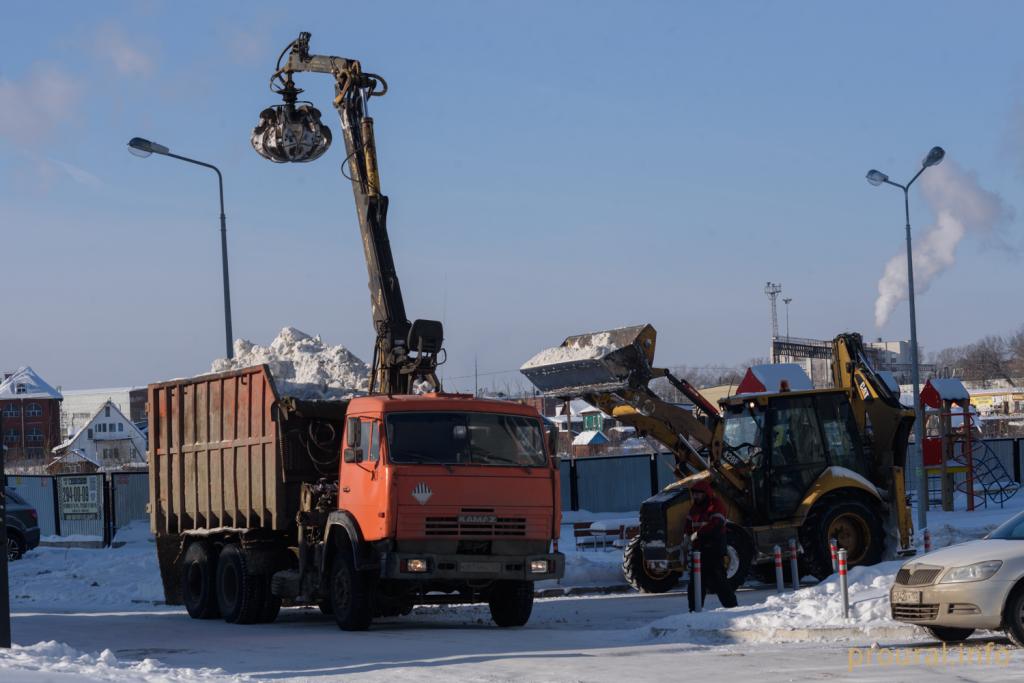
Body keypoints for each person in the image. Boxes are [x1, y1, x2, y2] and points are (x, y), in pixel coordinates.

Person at [685, 479, 738, 612]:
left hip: (714, 548)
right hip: (699, 550)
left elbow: (716, 524)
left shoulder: (716, 505)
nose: (696, 496)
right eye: (694, 494)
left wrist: (698, 534)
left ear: (705, 493)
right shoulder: (694, 508)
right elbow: (688, 524)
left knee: (718, 580)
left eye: (698, 494)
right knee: (695, 583)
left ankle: (732, 609)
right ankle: (694, 610)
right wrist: (687, 536)